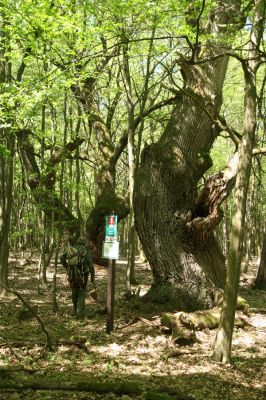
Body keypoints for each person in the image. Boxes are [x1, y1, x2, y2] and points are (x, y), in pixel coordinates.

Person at [60, 236, 95, 319]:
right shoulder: (87, 251)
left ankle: (75, 309)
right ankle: (80, 313)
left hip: (72, 274)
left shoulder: (72, 249)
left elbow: (62, 257)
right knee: (82, 291)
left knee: (74, 290)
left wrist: (67, 266)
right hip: (83, 275)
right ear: (84, 242)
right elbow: (91, 265)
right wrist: (92, 277)